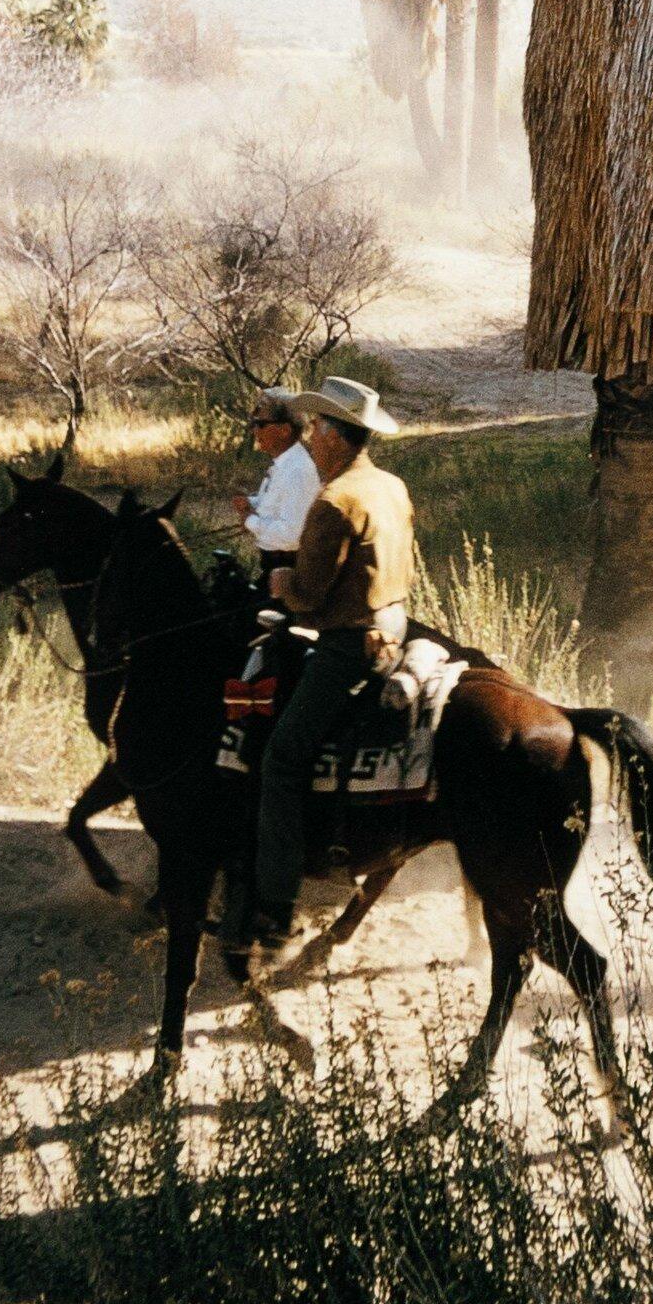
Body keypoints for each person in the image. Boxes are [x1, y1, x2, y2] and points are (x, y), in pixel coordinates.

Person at [243, 376, 415, 959]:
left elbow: (311, 595)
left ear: (337, 437)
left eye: (316, 428)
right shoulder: (389, 486)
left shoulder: (334, 501)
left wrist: (281, 581)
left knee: (282, 759)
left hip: (348, 646)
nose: (309, 438)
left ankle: (274, 907)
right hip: (394, 629)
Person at [240, 387, 321, 579]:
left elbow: (290, 535)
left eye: (261, 424)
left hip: (288, 571)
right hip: (273, 567)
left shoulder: (298, 470)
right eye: (254, 423)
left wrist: (250, 520)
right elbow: (276, 506)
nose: (255, 430)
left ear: (284, 430)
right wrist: (250, 503)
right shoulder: (283, 464)